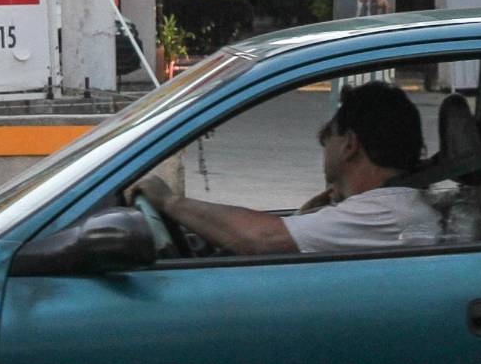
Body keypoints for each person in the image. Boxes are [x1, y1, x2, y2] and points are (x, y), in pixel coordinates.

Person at [131, 81, 441, 255]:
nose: (323, 146)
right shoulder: (388, 207)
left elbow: (263, 238)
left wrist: (170, 202)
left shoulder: (386, 212)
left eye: (328, 136)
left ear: (350, 145)